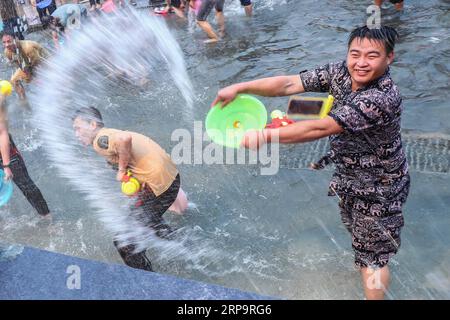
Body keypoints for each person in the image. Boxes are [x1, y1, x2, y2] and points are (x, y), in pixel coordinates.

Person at [212, 25, 409, 300]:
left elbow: (319, 129)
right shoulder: (341, 71)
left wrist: (265, 135)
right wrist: (240, 87)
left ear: (390, 58)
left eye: (372, 56)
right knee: (362, 243)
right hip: (349, 177)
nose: (361, 63)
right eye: (355, 54)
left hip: (380, 186)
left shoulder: (381, 97)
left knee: (374, 258)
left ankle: (371, 283)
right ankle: (367, 272)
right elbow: (290, 84)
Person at [72, 106, 188, 271]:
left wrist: (120, 170)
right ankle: (183, 246)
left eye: (78, 128)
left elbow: (124, 139)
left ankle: (148, 280)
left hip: (159, 187)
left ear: (92, 124)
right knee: (148, 217)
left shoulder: (100, 139)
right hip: (170, 179)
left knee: (123, 242)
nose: (76, 134)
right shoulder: (109, 133)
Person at [0, 93, 51, 218]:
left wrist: (6, 165)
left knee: (27, 186)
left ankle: (47, 217)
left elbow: (2, 133)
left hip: (6, 154)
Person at [2, 32, 49, 101]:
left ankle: (48, 95)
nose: (7, 45)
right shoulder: (7, 52)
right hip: (27, 63)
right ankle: (23, 100)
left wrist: (35, 78)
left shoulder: (28, 47)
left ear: (15, 40)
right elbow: (18, 65)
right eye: (4, 42)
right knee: (14, 80)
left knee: (42, 79)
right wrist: (26, 74)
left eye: (9, 41)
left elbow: (38, 64)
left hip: (44, 61)